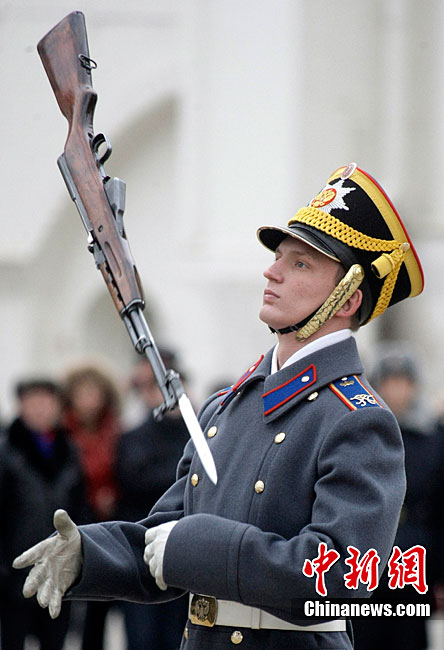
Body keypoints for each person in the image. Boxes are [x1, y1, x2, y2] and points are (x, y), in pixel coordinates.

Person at [13, 163, 425, 650]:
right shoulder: (226, 407)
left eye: (300, 264)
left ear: (348, 300)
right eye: (278, 256)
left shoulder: (358, 419)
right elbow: (163, 537)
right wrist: (91, 553)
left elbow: (341, 577)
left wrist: (203, 549)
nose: (271, 270)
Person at [353, 347, 444, 650]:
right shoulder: (362, 432)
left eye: (403, 382)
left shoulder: (433, 436)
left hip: (415, 557)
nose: (396, 390)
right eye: (389, 382)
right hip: (367, 555)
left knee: (408, 636)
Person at [0, 379, 86, 650]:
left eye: (46, 402)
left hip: (59, 570)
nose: (40, 409)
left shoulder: (69, 450)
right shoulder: (6, 451)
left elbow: (80, 506)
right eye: (33, 402)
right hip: (15, 572)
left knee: (55, 640)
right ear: (21, 406)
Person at [115, 350, 190, 649]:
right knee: (142, 636)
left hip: (180, 549)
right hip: (140, 550)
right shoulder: (133, 436)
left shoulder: (196, 433)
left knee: (176, 634)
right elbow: (134, 480)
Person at [61, 364, 122, 650]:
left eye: (93, 393)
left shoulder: (115, 432)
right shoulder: (62, 433)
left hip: (104, 523)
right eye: (82, 393)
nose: (88, 401)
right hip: (69, 519)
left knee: (99, 603)